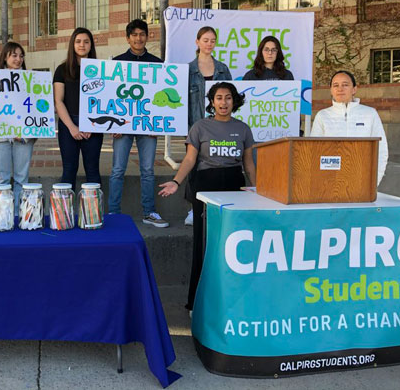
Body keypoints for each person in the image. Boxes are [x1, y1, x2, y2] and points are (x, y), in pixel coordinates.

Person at [159, 82, 256, 311]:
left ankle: (229, 302)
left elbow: (249, 164)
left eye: (228, 98)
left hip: (234, 186)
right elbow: (190, 160)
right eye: (219, 98)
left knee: (232, 245)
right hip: (206, 186)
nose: (224, 102)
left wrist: (258, 189)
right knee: (204, 244)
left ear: (234, 101)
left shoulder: (243, 129)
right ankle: (196, 303)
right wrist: (175, 182)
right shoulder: (200, 127)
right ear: (212, 102)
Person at [108, 19, 167, 227]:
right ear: (127, 38)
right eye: (134, 34)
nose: (138, 38)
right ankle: (113, 212)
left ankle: (149, 212)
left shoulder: (157, 63)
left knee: (148, 170)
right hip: (122, 125)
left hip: (148, 126)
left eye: (142, 34)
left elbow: (161, 98)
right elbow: (110, 97)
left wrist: (156, 124)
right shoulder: (116, 63)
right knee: (117, 170)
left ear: (147, 37)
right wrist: (114, 124)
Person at [184, 26, 232, 226]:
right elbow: (182, 102)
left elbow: (231, 97)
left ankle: (216, 207)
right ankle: (193, 209)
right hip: (196, 126)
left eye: (212, 40)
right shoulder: (188, 70)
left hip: (219, 127)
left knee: (216, 167)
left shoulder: (222, 68)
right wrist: (186, 129)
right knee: (194, 167)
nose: (209, 44)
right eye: (205, 40)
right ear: (197, 42)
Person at [310, 70, 388, 184]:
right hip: (330, 181)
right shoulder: (322, 116)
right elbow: (314, 151)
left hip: (362, 179)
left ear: (354, 89)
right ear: (331, 90)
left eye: (345, 85)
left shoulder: (370, 114)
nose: (340, 89)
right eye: (335, 85)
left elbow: (381, 150)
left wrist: (374, 182)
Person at [53, 27, 103, 190]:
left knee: (93, 171)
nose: (82, 45)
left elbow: (103, 99)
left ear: (91, 45)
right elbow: (58, 102)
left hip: (93, 125)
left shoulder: (100, 70)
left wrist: (91, 125)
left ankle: (93, 214)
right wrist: (72, 127)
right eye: (78, 41)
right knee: (69, 170)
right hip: (68, 124)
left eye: (86, 42)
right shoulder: (62, 70)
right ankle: (64, 215)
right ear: (72, 44)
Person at [0, 42, 35, 207]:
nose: (18, 59)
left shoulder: (32, 81)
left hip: (24, 136)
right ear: (5, 57)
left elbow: (37, 109)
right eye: (14, 55)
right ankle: (2, 217)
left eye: (21, 56)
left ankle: (18, 216)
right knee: (2, 179)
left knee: (21, 179)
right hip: (0, 135)